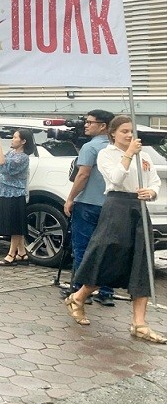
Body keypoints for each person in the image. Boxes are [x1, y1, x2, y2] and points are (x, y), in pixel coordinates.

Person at [64, 116, 163, 343]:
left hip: (138, 209)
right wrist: (128, 154)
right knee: (109, 258)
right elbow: (117, 179)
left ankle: (140, 323)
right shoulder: (106, 154)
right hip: (116, 207)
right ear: (113, 134)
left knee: (142, 262)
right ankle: (78, 297)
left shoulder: (145, 156)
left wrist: (152, 192)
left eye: (132, 131)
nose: (129, 135)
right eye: (124, 131)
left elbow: (154, 180)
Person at [63, 110, 116, 306]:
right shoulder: (116, 147)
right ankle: (106, 291)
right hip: (111, 205)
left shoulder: (90, 147)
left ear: (103, 126)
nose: (86, 125)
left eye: (90, 122)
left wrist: (70, 198)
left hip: (88, 204)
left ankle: (80, 290)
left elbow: (83, 175)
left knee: (83, 247)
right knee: (106, 249)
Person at [0, 129, 36, 266]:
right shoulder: (11, 153)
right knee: (15, 224)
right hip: (4, 190)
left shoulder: (23, 157)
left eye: (15, 137)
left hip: (16, 194)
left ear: (23, 141)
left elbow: (5, 167)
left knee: (15, 226)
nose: (12, 139)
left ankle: (11, 254)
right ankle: (22, 254)